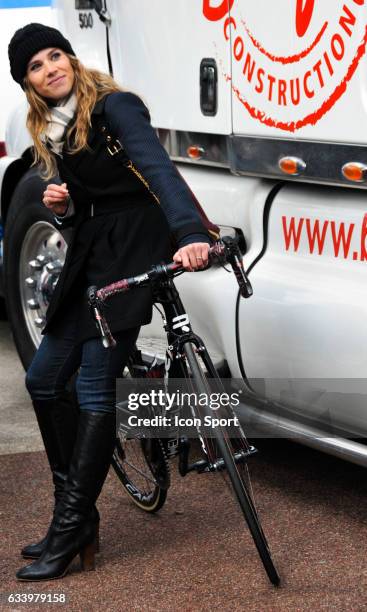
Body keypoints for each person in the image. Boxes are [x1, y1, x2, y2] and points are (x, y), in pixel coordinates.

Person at [8, 23, 212, 581]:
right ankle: (73, 517)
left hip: (134, 247)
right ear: (27, 82)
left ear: (70, 57)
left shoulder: (115, 107)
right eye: (36, 65)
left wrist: (191, 232)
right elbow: (93, 202)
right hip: (93, 253)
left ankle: (73, 524)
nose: (51, 67)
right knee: (43, 378)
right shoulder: (51, 127)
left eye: (56, 55)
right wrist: (66, 204)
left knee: (94, 383)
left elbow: (157, 169)